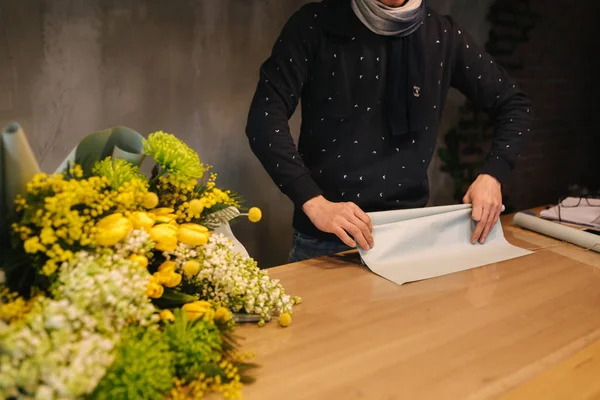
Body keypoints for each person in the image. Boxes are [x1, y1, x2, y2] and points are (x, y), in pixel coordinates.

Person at [245, 0, 532, 263]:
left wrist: (493, 174)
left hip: (411, 239)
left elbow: (513, 103)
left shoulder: (443, 35)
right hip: (326, 245)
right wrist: (314, 202)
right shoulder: (314, 23)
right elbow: (264, 120)